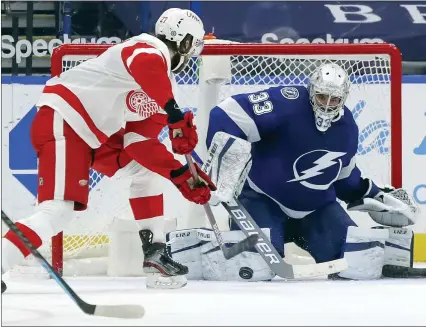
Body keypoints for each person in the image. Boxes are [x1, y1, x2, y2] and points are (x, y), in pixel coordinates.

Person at [1, 8, 215, 291]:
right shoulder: (147, 47)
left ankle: (155, 254)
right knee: (58, 213)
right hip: (65, 120)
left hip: (91, 136)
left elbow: (140, 144)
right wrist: (174, 113)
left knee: (144, 173)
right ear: (186, 42)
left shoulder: (165, 87)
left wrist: (179, 173)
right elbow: (145, 64)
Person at [168, 63, 420, 282]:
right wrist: (228, 161)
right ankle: (196, 246)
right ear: (312, 91)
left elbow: (343, 179)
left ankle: (390, 251)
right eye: (322, 97)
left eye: (334, 100)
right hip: (261, 201)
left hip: (316, 211)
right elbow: (225, 113)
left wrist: (374, 195)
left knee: (360, 263)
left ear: (344, 98)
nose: (327, 105)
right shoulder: (286, 102)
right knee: (255, 266)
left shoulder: (348, 129)